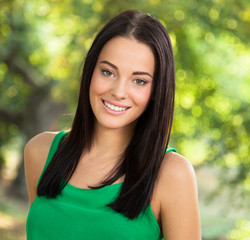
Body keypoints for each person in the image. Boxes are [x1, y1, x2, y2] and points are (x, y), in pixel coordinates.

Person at [24, 9, 200, 240]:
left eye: (139, 81)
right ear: (90, 72)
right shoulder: (40, 152)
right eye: (108, 72)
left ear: (156, 90)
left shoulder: (172, 174)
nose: (118, 92)